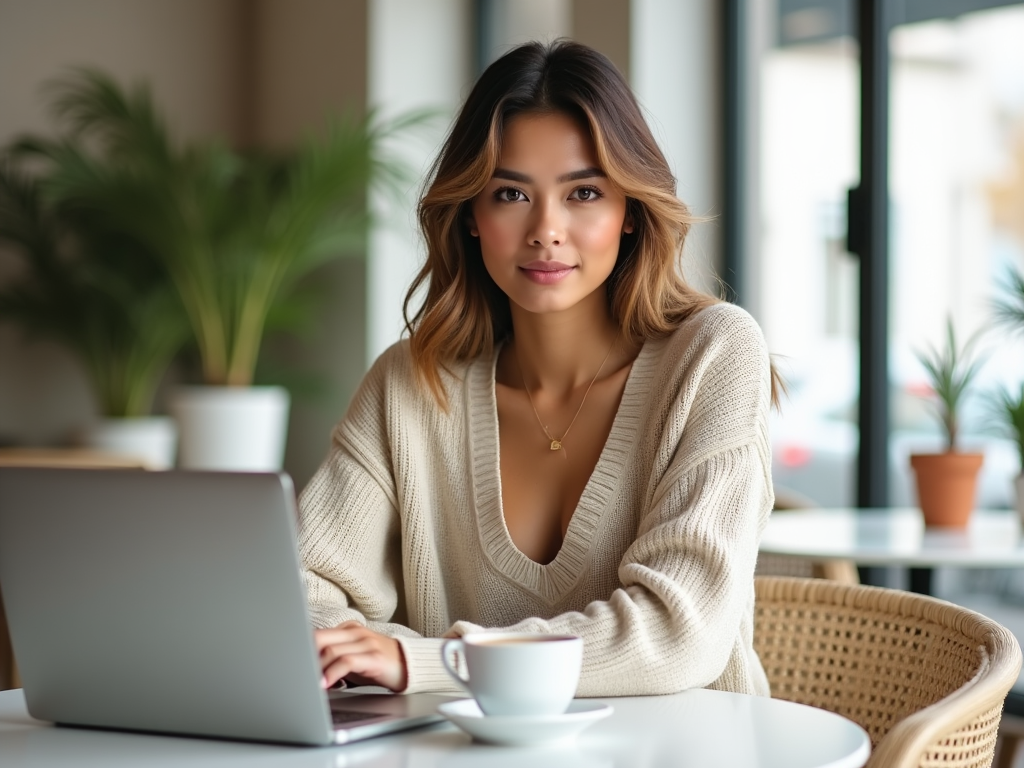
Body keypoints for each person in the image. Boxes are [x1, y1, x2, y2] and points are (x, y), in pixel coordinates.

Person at [298, 39, 776, 697]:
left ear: (630, 213)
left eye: (583, 192)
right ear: (470, 215)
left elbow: (677, 636)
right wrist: (354, 646)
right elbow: (301, 589)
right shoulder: (410, 385)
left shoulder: (713, 355)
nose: (546, 230)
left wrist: (429, 661)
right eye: (510, 194)